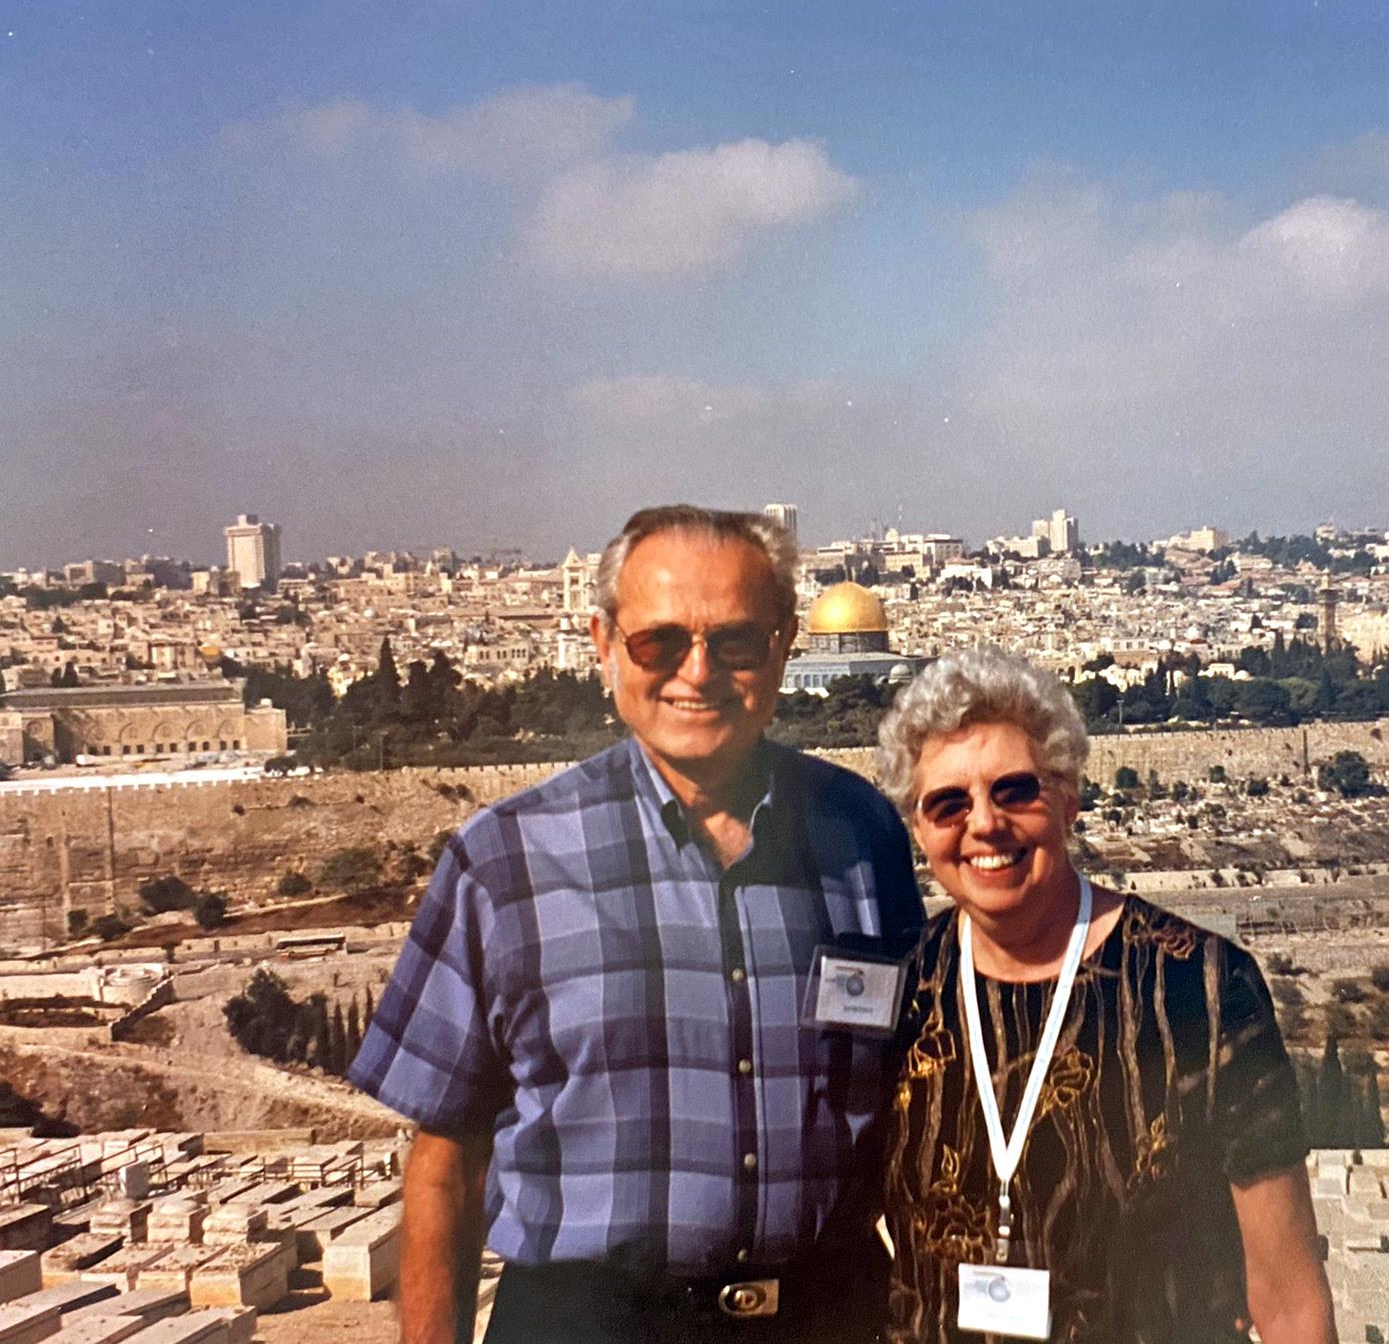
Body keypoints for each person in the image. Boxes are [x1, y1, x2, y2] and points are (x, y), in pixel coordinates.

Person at [350, 506, 923, 1344]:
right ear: (604, 644)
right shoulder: (504, 861)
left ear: (783, 643)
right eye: (660, 643)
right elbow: (444, 1167)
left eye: (733, 641)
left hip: (826, 1314)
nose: (697, 672)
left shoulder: (861, 832)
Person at [873, 646, 1335, 1344]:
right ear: (920, 828)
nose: (984, 824)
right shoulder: (908, 988)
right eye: (947, 803)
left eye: (1015, 790)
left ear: (1068, 797)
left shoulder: (1199, 987)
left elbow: (1287, 1292)